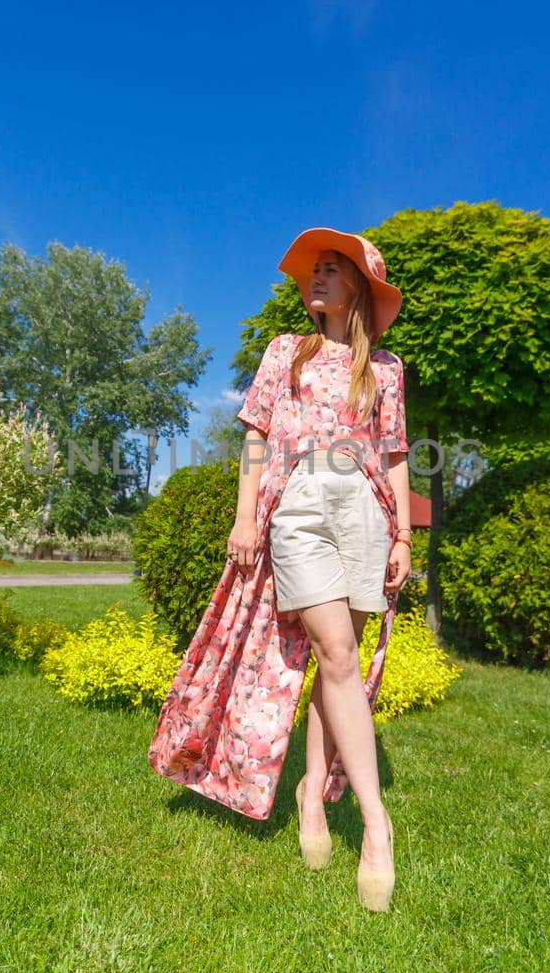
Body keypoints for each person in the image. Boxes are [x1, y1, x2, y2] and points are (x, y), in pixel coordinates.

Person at [149, 227, 411, 913]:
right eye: (313, 270)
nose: (315, 278)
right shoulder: (283, 352)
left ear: (358, 284)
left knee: (340, 660)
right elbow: (257, 435)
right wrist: (244, 516)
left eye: (332, 269)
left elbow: (394, 454)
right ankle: (377, 825)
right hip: (296, 503)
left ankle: (312, 798)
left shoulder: (385, 369)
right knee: (334, 649)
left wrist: (404, 535)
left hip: (367, 508)